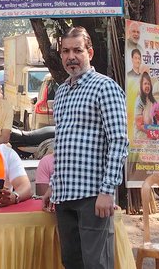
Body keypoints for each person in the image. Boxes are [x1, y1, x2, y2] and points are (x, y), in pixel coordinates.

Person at [43, 27, 128, 269]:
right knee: (72, 261)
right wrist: (54, 184)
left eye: (77, 50)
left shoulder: (105, 87)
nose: (71, 56)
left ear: (89, 52)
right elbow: (63, 142)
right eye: (66, 51)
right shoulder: (62, 93)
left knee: (96, 264)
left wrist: (107, 191)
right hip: (65, 195)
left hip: (93, 196)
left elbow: (119, 141)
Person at [134, 72, 158, 137]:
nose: (147, 86)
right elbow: (139, 125)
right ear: (141, 86)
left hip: (152, 134)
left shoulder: (153, 100)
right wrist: (152, 133)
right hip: (141, 136)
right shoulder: (139, 101)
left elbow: (158, 116)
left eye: (148, 84)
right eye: (145, 84)